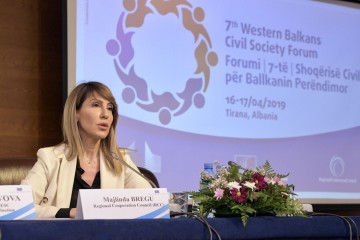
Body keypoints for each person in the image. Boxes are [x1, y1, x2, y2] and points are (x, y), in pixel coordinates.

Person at [21, 81, 152, 218]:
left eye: (110, 108)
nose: (105, 114)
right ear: (76, 114)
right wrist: (69, 213)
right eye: (96, 105)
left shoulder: (120, 160)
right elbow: (20, 208)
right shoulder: (51, 158)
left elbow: (151, 204)